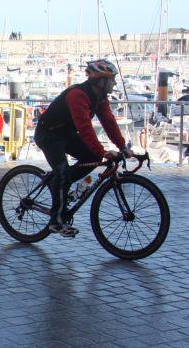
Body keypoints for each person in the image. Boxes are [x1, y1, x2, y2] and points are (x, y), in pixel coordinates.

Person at [35, 58, 132, 237]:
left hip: (67, 134)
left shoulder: (100, 97)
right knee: (63, 172)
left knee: (93, 158)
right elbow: (85, 127)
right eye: (112, 79)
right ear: (101, 81)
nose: (114, 83)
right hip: (49, 135)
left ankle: (61, 185)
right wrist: (103, 151)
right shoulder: (78, 95)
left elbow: (109, 121)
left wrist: (122, 146)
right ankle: (56, 222)